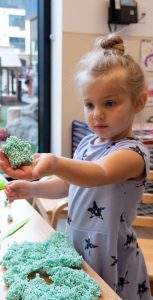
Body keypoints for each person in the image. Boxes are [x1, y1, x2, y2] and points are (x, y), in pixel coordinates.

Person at [0, 35, 151, 300]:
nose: (97, 114)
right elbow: (71, 185)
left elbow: (99, 174)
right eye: (89, 104)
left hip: (111, 253)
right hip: (77, 242)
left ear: (138, 102)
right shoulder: (88, 143)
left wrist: (54, 163)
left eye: (110, 103)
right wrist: (31, 188)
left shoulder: (133, 153)